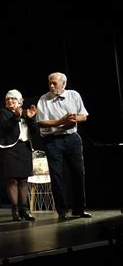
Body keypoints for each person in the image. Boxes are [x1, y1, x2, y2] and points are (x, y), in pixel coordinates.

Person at [36, 72, 91, 220]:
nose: (51, 86)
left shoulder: (74, 95)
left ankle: (79, 209)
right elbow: (42, 122)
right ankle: (62, 211)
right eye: (50, 83)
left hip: (72, 138)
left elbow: (84, 115)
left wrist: (74, 119)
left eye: (54, 83)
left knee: (78, 173)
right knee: (57, 176)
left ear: (64, 84)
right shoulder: (44, 99)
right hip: (53, 140)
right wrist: (62, 121)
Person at [0, 89, 37, 221]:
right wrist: (15, 116)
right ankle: (15, 211)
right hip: (10, 149)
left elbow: (35, 131)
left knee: (24, 180)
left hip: (24, 148)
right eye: (8, 99)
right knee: (12, 180)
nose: (10, 101)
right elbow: (5, 128)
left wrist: (31, 119)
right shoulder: (4, 112)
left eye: (13, 99)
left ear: (20, 100)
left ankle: (24, 210)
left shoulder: (26, 113)